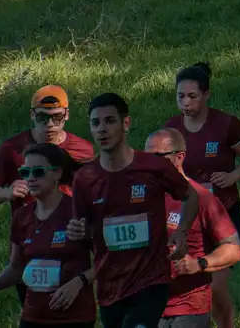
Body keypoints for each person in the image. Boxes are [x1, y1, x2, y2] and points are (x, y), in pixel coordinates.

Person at [69, 93, 199, 328]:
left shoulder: (152, 167)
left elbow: (190, 195)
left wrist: (181, 232)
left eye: (109, 121)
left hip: (151, 280)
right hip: (110, 286)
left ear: (125, 123)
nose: (102, 129)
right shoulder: (84, 178)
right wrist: (77, 231)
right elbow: (83, 231)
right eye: (95, 123)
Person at [165, 64, 240, 328]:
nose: (185, 102)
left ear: (206, 95)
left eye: (192, 96)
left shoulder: (226, 125)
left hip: (222, 212)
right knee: (192, 282)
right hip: (185, 217)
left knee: (216, 284)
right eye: (180, 96)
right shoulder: (171, 131)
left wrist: (233, 176)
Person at [0, 142, 96, 326]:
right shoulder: (22, 216)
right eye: (25, 173)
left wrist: (79, 281)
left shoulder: (78, 211)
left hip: (75, 318)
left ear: (58, 173)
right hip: (32, 317)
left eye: (38, 172)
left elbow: (108, 259)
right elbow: (16, 268)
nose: (30, 178)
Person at [145, 129, 240, 328]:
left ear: (179, 157)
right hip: (145, 307)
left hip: (188, 309)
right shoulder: (139, 198)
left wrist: (199, 264)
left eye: (157, 157)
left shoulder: (202, 199)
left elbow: (234, 249)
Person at [0, 85, 94, 210]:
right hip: (28, 225)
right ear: (32, 114)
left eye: (57, 117)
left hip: (69, 225)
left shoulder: (83, 149)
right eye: (42, 117)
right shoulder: (12, 148)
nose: (50, 124)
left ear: (66, 114)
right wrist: (7, 193)